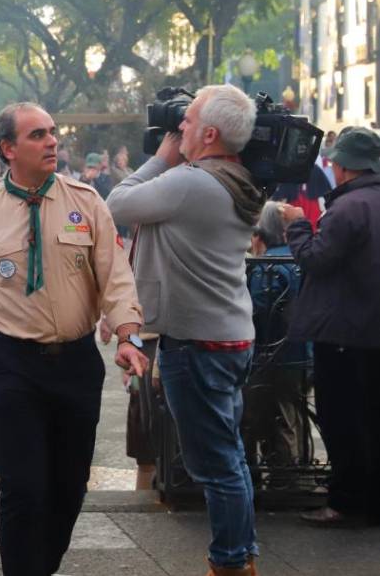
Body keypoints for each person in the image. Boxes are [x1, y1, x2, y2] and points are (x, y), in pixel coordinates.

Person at [0, 103, 147, 576]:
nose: (52, 141)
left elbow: (116, 279)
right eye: (37, 135)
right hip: (11, 364)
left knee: (69, 488)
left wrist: (129, 336)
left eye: (51, 133)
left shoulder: (87, 203)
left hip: (76, 363)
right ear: (8, 149)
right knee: (23, 489)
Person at [107, 84, 264, 576]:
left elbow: (118, 203)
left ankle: (230, 563)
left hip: (197, 343)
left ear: (211, 133)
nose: (182, 129)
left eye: (189, 121)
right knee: (230, 456)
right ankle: (243, 554)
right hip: (228, 334)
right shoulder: (237, 176)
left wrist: (159, 157)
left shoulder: (195, 182)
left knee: (215, 465)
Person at [282, 127, 380, 528]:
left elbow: (317, 260)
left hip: (344, 332)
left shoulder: (349, 207)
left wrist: (297, 226)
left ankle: (347, 500)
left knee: (342, 419)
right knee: (372, 418)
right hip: (370, 331)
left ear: (343, 167)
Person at [242, 202, 307, 474]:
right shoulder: (299, 260)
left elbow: (259, 311)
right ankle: (295, 474)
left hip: (269, 355)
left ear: (260, 235)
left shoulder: (265, 267)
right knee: (293, 415)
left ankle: (278, 477)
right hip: (301, 352)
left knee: (261, 418)